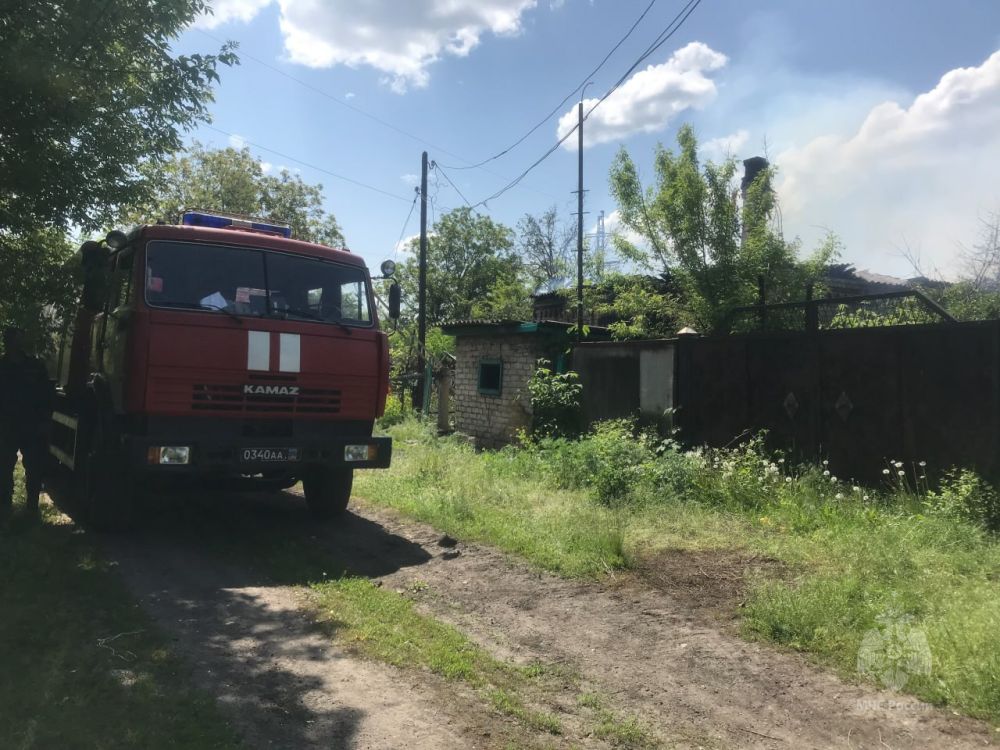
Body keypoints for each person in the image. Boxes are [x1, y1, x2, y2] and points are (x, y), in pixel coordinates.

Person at [0, 327, 54, 516]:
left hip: (32, 426)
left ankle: (32, 506)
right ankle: (5, 505)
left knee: (34, 468)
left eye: (16, 340)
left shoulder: (35, 367)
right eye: (11, 340)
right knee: (4, 467)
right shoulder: (2, 366)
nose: (14, 344)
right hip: (6, 426)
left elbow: (47, 396)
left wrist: (45, 421)